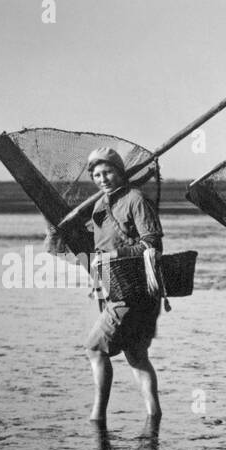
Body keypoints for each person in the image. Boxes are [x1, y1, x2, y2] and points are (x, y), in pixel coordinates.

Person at [49, 147, 165, 422]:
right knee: (136, 354)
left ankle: (98, 415)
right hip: (112, 289)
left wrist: (115, 255)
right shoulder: (100, 204)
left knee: (94, 347)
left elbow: (152, 244)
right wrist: (60, 232)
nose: (103, 179)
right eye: (98, 175)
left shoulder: (135, 200)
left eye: (108, 172)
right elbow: (92, 244)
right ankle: (154, 415)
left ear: (120, 172)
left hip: (134, 291)